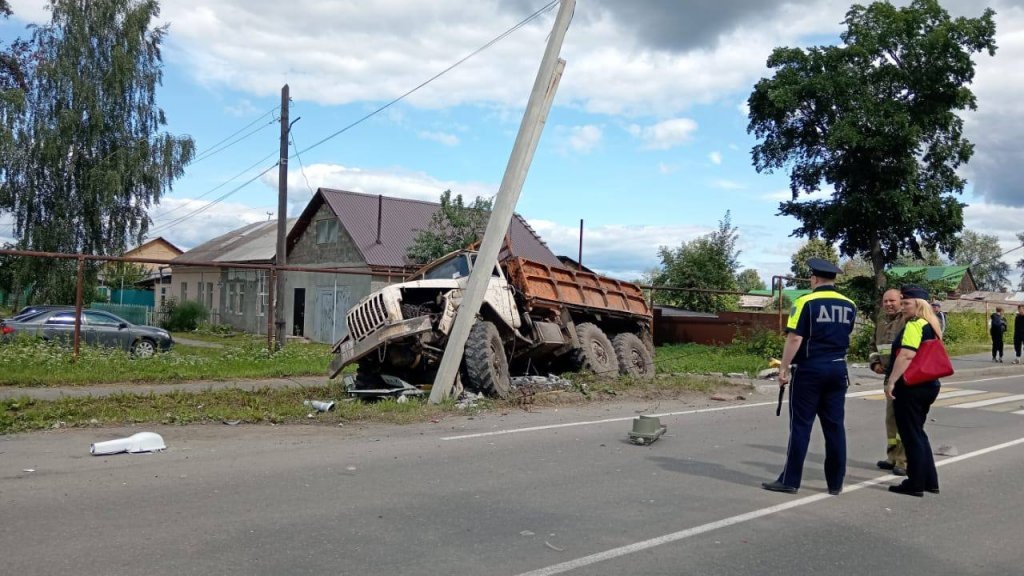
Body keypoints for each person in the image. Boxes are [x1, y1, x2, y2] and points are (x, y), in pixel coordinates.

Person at [763, 258, 857, 496]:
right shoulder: (849, 305)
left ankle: (790, 480)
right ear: (833, 279)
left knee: (801, 426)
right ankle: (836, 483)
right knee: (835, 427)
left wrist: (783, 368)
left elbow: (795, 338)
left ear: (813, 279)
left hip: (810, 370)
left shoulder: (805, 301)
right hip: (838, 369)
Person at [884, 285, 943, 497]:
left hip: (911, 387)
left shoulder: (915, 324)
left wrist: (892, 381)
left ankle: (915, 482)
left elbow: (907, 355)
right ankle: (929, 480)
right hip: (928, 385)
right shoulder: (931, 324)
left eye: (906, 303)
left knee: (910, 436)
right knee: (918, 433)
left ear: (918, 305)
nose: (903, 307)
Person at [871, 289, 906, 476]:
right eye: (885, 301)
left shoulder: (907, 320)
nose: (888, 304)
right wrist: (875, 363)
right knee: (891, 420)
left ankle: (904, 460)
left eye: (892, 301)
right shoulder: (882, 321)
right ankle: (892, 457)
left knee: (904, 421)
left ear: (901, 300)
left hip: (905, 377)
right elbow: (873, 345)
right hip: (888, 377)